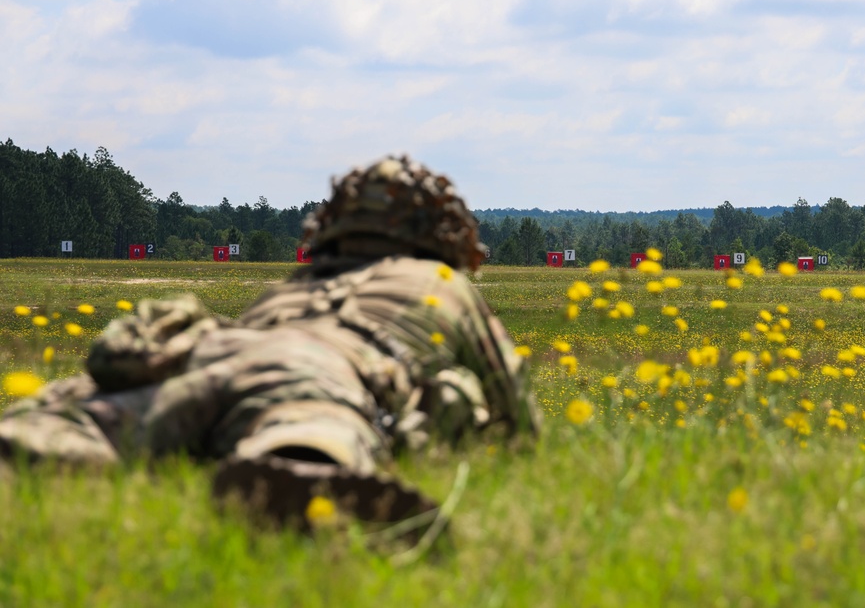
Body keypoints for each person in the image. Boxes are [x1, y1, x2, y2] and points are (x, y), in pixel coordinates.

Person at [0, 155, 539, 528]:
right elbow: (516, 413)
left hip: (216, 353)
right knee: (309, 425)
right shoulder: (443, 286)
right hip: (328, 366)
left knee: (101, 422)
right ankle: (301, 471)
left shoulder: (292, 284)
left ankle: (30, 443)